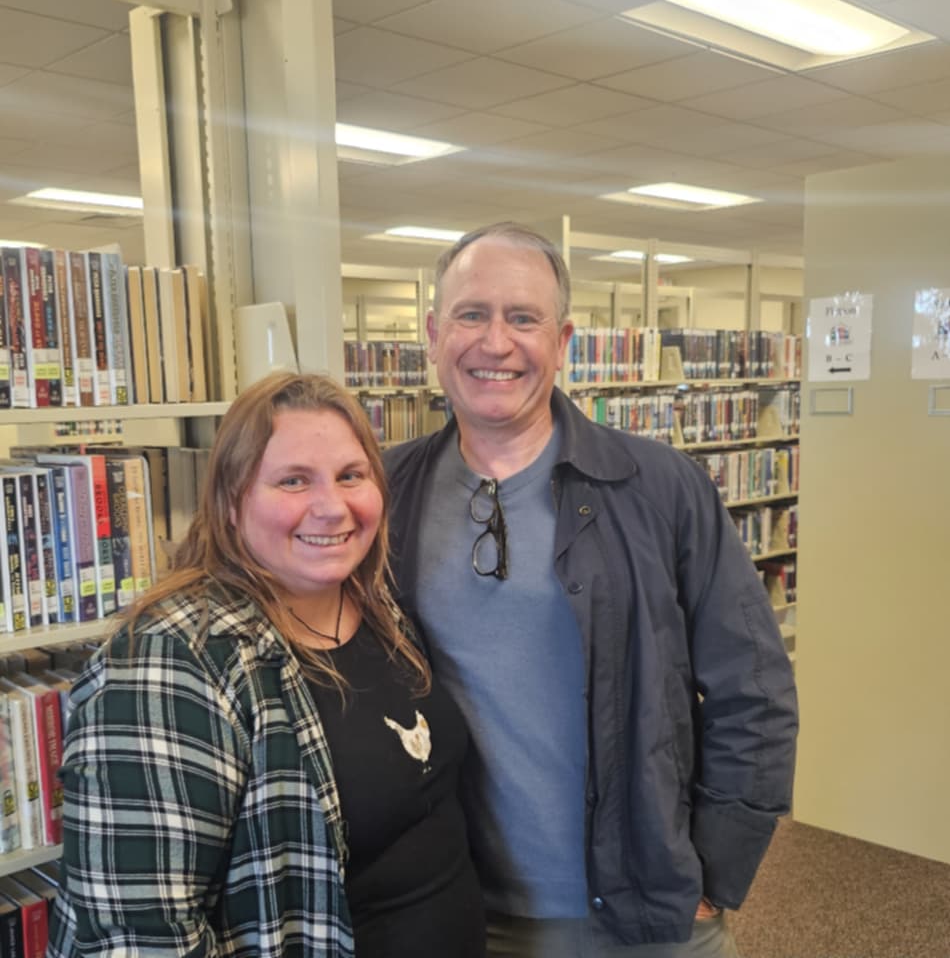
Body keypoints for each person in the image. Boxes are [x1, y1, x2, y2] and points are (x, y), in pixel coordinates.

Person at [384, 222, 799, 957]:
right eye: (471, 314)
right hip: (459, 908)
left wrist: (716, 872)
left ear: (565, 339)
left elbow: (755, 688)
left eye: (523, 318)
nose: (495, 343)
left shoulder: (658, 486)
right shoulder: (385, 493)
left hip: (643, 909)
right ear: (433, 333)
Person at [46, 372, 486, 958]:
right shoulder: (171, 663)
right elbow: (138, 939)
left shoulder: (379, 605)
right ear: (232, 502)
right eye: (293, 481)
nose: (332, 507)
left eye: (351, 475)